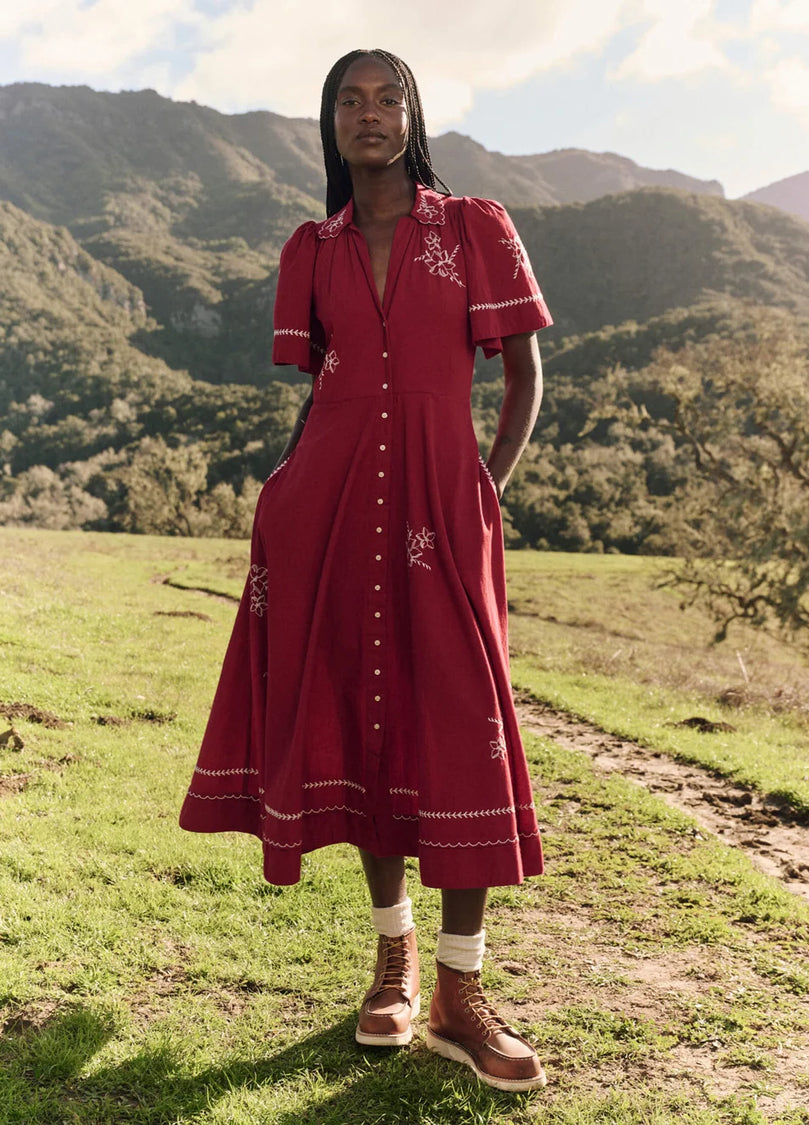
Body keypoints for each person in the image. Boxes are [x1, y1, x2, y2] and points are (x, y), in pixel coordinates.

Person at [179, 48, 552, 1092]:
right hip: (331, 512)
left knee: (464, 720)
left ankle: (460, 994)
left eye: (389, 98)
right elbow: (323, 391)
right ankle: (392, 969)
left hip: (445, 505)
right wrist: (287, 492)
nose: (371, 114)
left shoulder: (475, 226)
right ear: (330, 125)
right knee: (363, 716)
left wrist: (488, 488)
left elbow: (524, 371)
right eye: (352, 100)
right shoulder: (312, 248)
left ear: (414, 115)